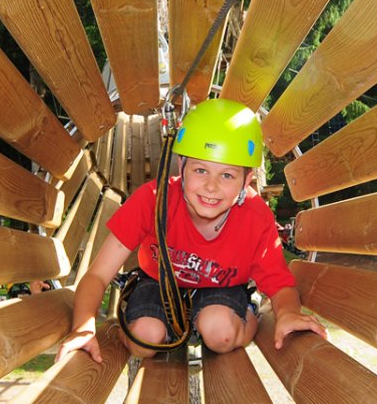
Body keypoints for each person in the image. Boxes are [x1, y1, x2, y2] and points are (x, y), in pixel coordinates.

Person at [57, 98, 327, 363]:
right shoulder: (154, 199)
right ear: (182, 167)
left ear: (247, 181)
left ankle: (246, 312)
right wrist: (82, 327)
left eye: (227, 175)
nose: (211, 187)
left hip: (223, 289)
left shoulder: (256, 217)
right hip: (158, 283)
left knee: (220, 332)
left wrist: (288, 313)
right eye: (200, 170)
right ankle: (159, 324)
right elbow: (97, 274)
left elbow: (280, 285)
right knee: (144, 339)